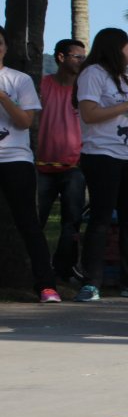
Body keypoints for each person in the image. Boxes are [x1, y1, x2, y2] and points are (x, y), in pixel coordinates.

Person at [73, 27, 128, 302]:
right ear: (114, 47)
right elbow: (88, 114)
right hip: (101, 154)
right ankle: (91, 282)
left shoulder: (125, 78)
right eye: (127, 45)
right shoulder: (92, 74)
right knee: (100, 218)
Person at [0, 25, 59, 300]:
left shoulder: (19, 80)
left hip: (15, 159)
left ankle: (46, 285)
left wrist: (2, 96)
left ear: (5, 47)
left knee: (28, 223)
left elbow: (25, 121)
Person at [36, 38, 86, 284]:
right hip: (41, 166)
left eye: (83, 57)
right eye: (77, 56)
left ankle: (63, 272)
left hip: (74, 168)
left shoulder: (85, 91)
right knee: (36, 221)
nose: (81, 61)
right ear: (60, 57)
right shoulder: (42, 84)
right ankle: (35, 270)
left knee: (71, 223)